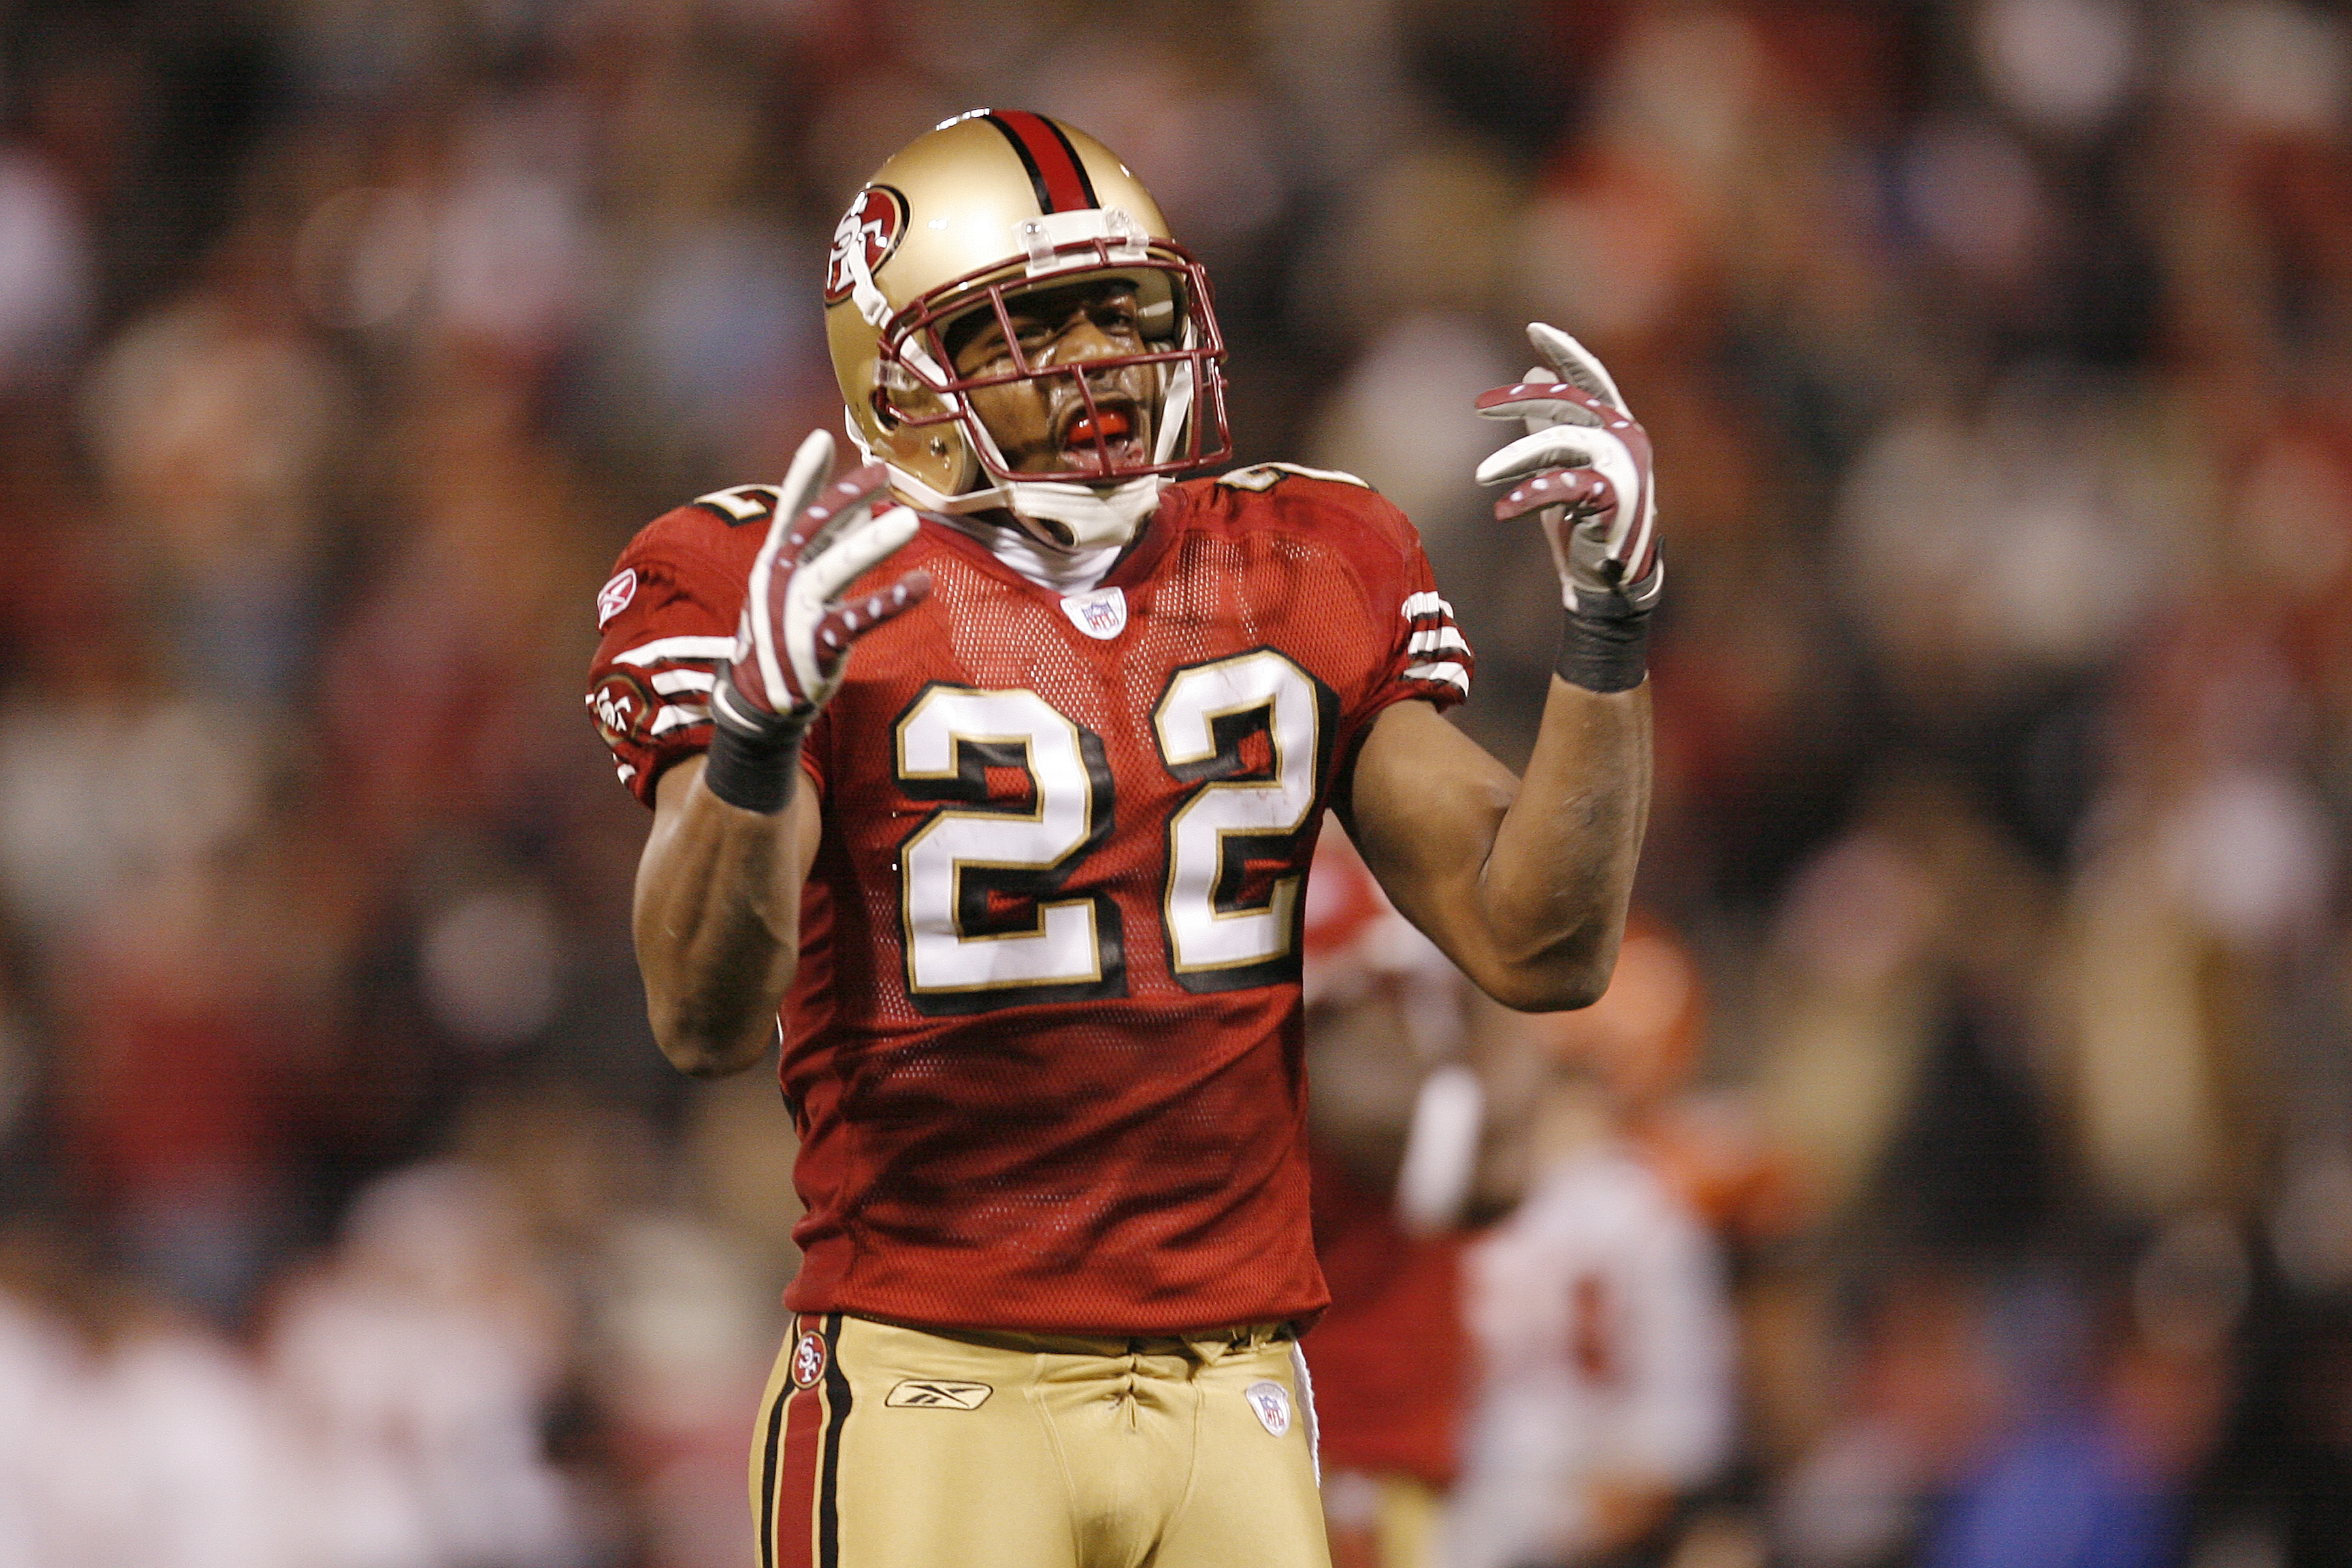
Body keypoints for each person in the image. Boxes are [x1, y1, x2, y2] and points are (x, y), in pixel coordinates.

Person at [585, 108, 1660, 1568]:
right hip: (932, 1375)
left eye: (1120, 305)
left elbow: (1539, 942)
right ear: (900, 374)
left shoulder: (1304, 554)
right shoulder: (760, 577)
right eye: (1032, 318)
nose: (1096, 353)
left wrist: (1607, 642)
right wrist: (761, 730)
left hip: (1240, 1385)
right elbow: (701, 1013)